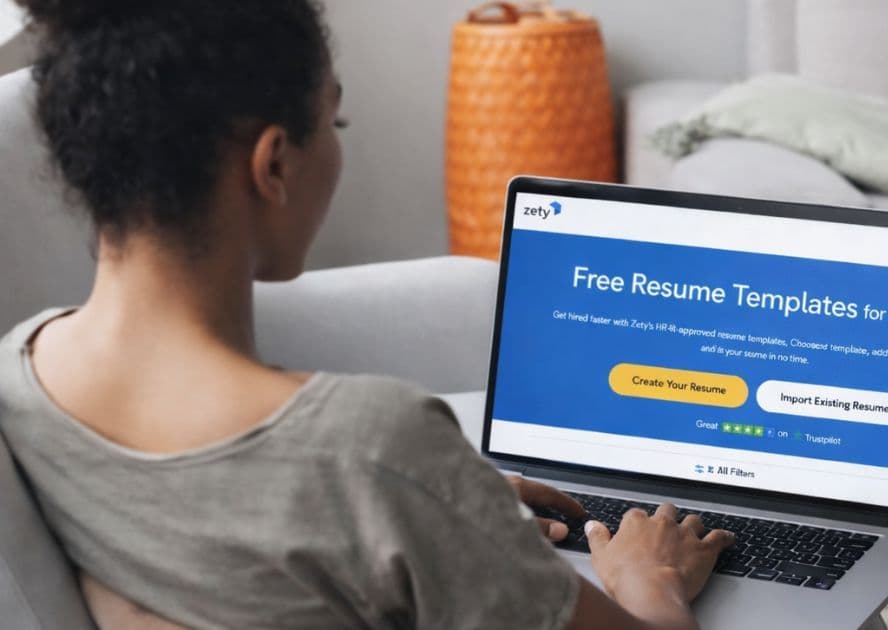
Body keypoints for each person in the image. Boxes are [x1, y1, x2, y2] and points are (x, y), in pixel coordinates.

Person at [0, 1, 735, 628]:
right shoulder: (371, 447)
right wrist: (651, 581)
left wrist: (441, 510)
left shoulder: (25, 374)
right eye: (336, 122)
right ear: (275, 165)